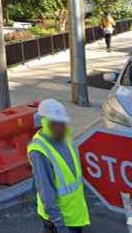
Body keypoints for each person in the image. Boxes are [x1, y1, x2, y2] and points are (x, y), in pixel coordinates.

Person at [28, 98, 90, 232]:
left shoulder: (64, 138)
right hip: (60, 221)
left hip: (74, 215)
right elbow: (45, 190)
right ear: (43, 122)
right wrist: (58, 224)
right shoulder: (39, 150)